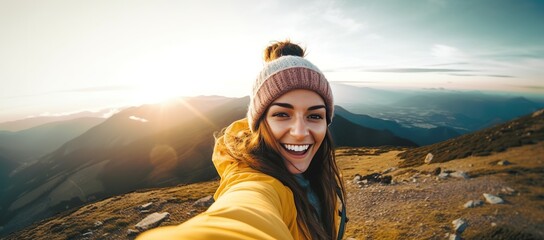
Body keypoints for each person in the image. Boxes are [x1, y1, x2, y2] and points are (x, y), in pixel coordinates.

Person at [137, 40, 347, 240]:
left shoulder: (318, 165)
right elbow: (247, 208)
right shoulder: (253, 179)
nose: (300, 132)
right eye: (282, 114)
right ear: (259, 122)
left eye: (315, 116)